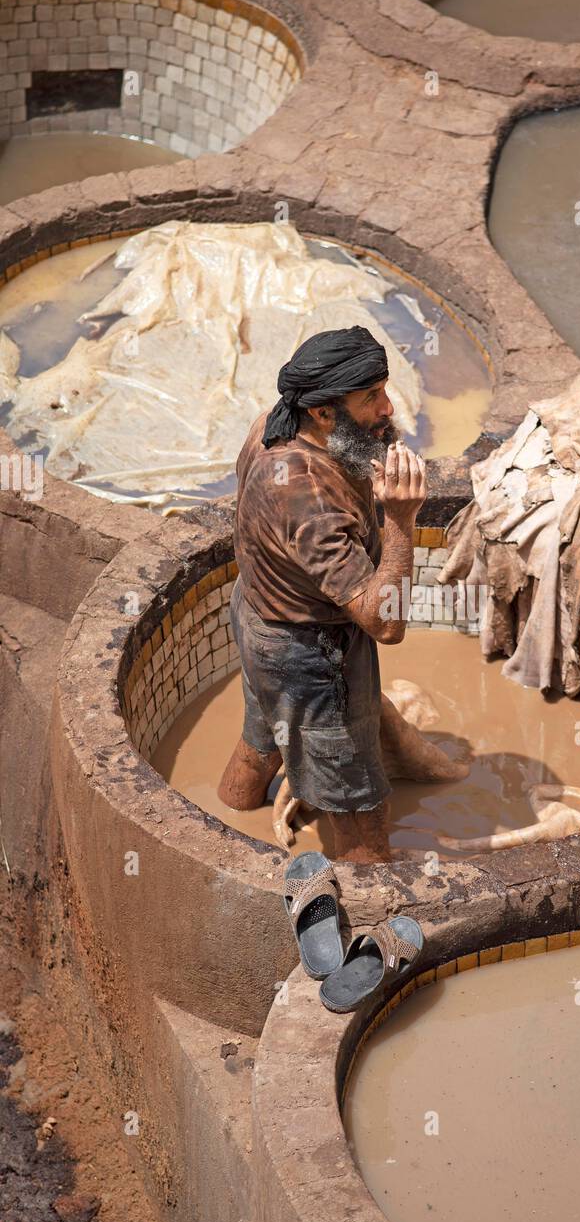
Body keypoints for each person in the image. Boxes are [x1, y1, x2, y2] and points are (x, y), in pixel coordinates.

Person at [218, 325, 454, 862]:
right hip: (311, 657)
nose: (388, 408)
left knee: (263, 739)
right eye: (371, 397)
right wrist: (400, 520)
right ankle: (368, 916)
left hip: (259, 618)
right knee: (362, 813)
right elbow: (385, 625)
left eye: (384, 389)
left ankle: (228, 830)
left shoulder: (270, 427)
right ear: (324, 412)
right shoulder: (309, 498)